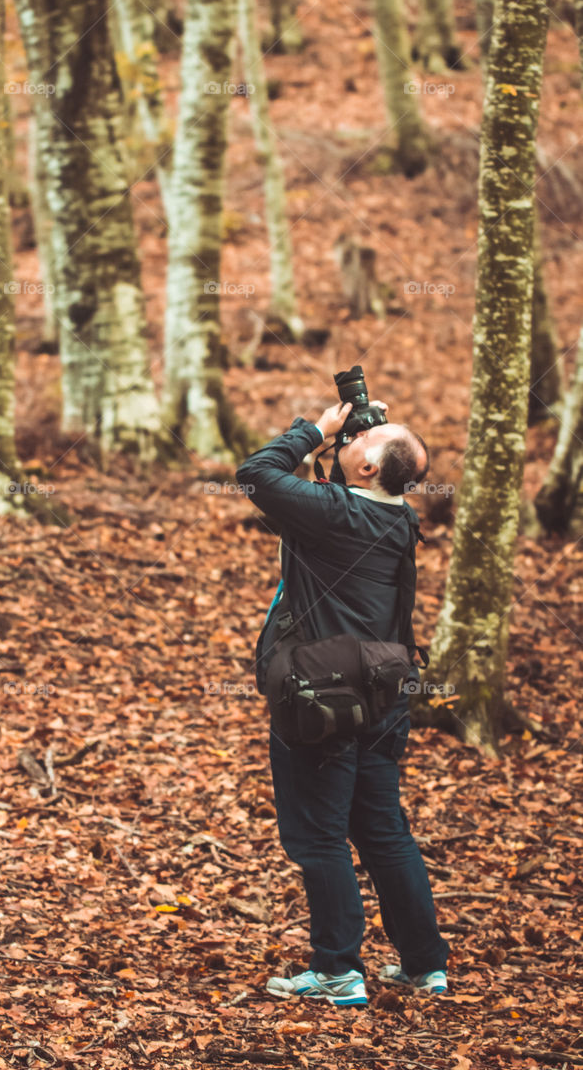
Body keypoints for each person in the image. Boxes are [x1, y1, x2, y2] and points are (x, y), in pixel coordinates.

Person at [235, 398, 450, 1008]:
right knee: (383, 829)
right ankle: (424, 965)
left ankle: (336, 970)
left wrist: (313, 431)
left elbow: (255, 474)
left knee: (319, 836)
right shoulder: (398, 518)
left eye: (368, 436)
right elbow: (319, 493)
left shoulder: (333, 514)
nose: (358, 434)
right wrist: (342, 447)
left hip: (322, 699)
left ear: (365, 471)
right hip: (384, 694)